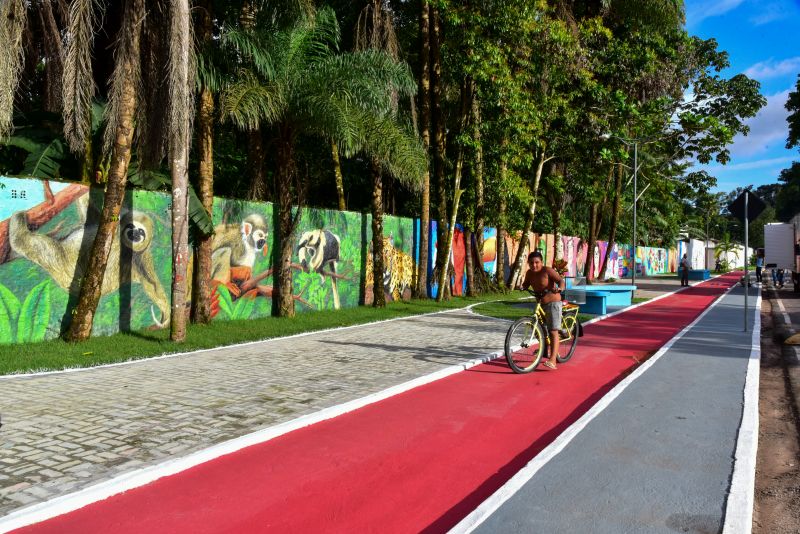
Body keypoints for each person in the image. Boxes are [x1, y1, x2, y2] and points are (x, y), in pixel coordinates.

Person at [521, 250, 565, 370]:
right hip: (540, 303)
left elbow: (561, 281)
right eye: (531, 263)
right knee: (537, 328)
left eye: (537, 262)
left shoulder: (547, 271)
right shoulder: (529, 273)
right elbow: (526, 283)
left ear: (541, 262)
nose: (534, 265)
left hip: (553, 303)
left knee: (552, 331)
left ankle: (553, 360)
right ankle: (544, 350)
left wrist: (560, 289)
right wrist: (522, 287)